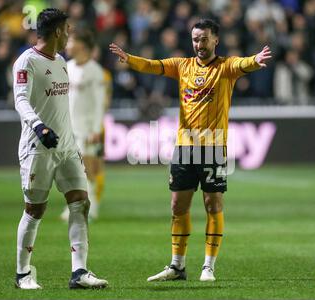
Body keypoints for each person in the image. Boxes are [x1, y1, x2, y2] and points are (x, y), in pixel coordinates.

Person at [109, 18, 271, 282]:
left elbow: (244, 63)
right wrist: (130, 59)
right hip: (184, 148)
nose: (199, 44)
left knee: (213, 203)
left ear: (215, 40)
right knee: (177, 206)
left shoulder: (226, 67)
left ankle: (208, 266)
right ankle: (177, 266)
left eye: (204, 39)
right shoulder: (182, 65)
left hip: (213, 147)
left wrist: (255, 60)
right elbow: (153, 66)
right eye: (195, 39)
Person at [13, 8, 107, 290]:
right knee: (35, 210)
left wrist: (71, 141)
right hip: (37, 147)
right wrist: (39, 127)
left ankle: (79, 272)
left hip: (66, 147)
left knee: (81, 202)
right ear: (56, 31)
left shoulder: (62, 61)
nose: (69, 33)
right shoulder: (26, 62)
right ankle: (22, 274)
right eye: (67, 29)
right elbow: (21, 100)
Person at [60, 29, 109, 222]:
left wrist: (96, 129)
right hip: (68, 128)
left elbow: (99, 103)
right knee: (70, 170)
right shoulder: (67, 67)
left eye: (71, 41)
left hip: (87, 129)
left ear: (81, 45)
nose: (67, 45)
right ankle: (74, 205)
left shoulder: (95, 71)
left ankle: (92, 205)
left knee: (87, 168)